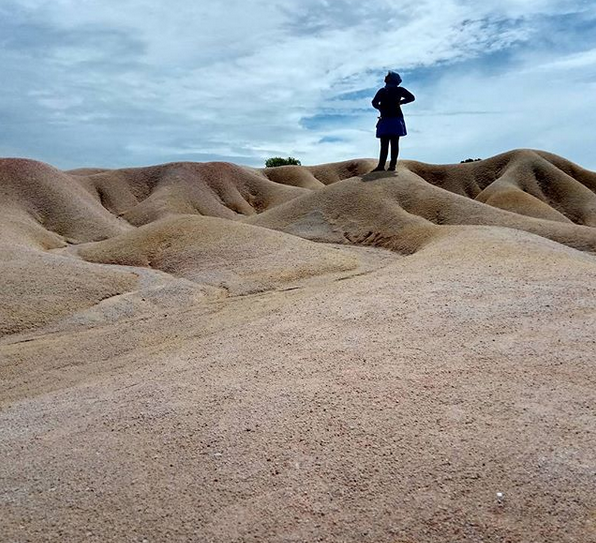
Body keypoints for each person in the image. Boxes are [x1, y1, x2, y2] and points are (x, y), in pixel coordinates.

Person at [371, 71, 415, 172]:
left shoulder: (382, 91)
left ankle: (381, 166)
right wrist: (400, 102)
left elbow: (374, 102)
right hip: (396, 119)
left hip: (385, 119)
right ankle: (392, 166)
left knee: (384, 144)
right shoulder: (399, 90)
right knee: (394, 143)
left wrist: (380, 108)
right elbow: (411, 98)